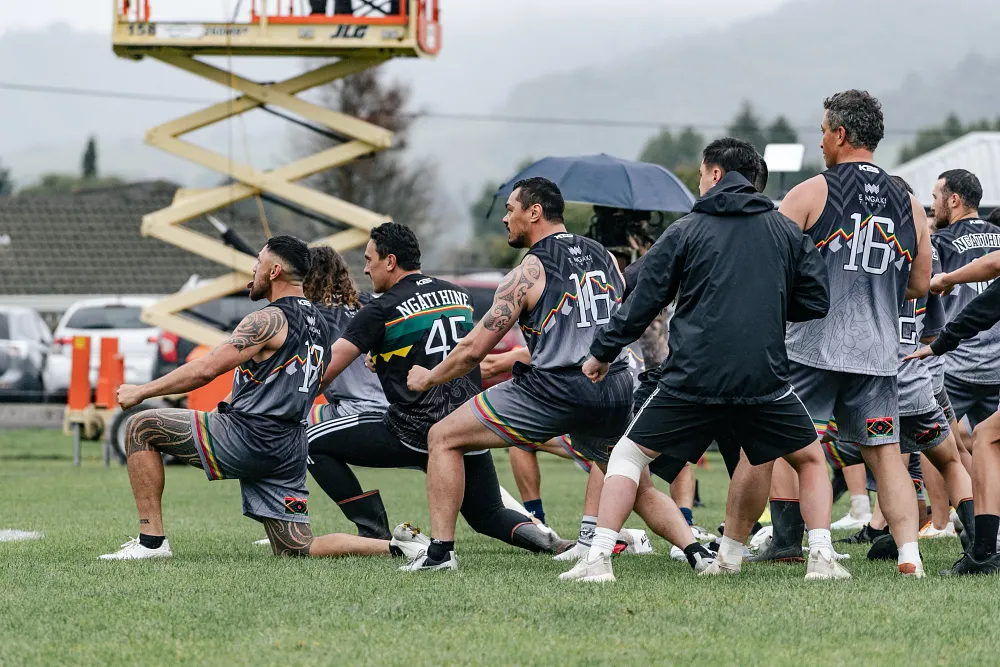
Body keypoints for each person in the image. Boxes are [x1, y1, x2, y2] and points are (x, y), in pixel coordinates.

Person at [561, 137, 846, 582]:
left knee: (627, 456)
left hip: (691, 376)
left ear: (715, 174)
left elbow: (643, 299)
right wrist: (765, 307)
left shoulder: (686, 229)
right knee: (808, 460)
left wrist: (602, 352)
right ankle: (818, 558)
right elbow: (817, 299)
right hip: (762, 377)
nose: (699, 182)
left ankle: (598, 559)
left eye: (699, 174)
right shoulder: (786, 231)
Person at [406, 177, 708, 573]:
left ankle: (440, 554)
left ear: (534, 212)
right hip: (615, 388)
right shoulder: (603, 255)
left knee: (442, 437)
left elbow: (473, 350)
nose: (505, 219)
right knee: (635, 482)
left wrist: (428, 378)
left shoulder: (528, 271)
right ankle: (696, 553)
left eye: (510, 209)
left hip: (555, 392)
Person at [304, 222, 568, 567]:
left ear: (390, 261)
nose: (365, 269)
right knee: (488, 513)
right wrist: (384, 356)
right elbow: (447, 349)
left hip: (412, 431)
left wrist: (281, 400)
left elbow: (325, 372)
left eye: (369, 259)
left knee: (311, 441)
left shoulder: (381, 309)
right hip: (467, 425)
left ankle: (373, 531)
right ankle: (559, 546)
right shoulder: (459, 294)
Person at [751, 90, 931, 577]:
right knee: (886, 455)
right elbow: (919, 284)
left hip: (811, 349)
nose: (821, 140)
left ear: (841, 134)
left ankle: (750, 547)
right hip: (877, 353)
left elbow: (768, 269)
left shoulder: (810, 192)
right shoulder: (911, 204)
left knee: (772, 443)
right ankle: (910, 556)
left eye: (824, 131)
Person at [99, 235, 363, 560]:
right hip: (288, 447)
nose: (253, 269)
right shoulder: (320, 324)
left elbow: (206, 369)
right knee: (296, 547)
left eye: (259, 262)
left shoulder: (267, 320)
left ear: (275, 271)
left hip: (249, 438)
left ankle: (151, 543)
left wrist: (141, 391)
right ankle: (397, 546)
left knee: (140, 426)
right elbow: (287, 381)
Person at [907, 229, 1000, 573]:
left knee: (984, 437)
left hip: (962, 367)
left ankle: (982, 551)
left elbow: (994, 269)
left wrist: (945, 279)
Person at [928, 170, 1000, 435]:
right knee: (990, 443)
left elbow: (925, 293)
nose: (932, 206)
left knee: (932, 444)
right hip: (997, 369)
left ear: (954, 200)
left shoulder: (939, 242)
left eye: (935, 197)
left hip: (955, 365)